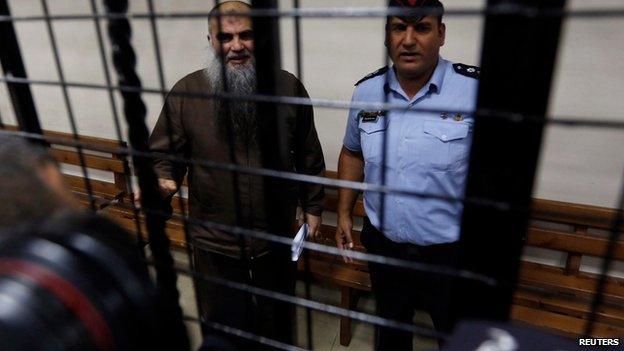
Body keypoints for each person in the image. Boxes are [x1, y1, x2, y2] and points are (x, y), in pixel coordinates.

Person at [142, 1, 325, 348]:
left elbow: (308, 153)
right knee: (224, 329)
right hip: (215, 240)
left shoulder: (288, 87)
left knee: (276, 325)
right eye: (225, 37)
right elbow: (162, 155)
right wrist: (162, 180)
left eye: (246, 35)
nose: (236, 46)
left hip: (275, 238)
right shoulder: (187, 93)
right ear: (211, 41)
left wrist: (313, 207)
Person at [335, 1, 479, 350]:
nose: (409, 40)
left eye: (422, 28)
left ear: (441, 34)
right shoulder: (367, 92)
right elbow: (353, 152)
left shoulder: (474, 92)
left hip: (450, 252)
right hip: (384, 245)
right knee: (392, 330)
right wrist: (342, 213)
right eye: (399, 28)